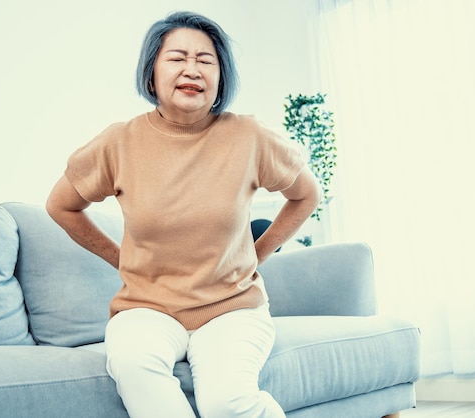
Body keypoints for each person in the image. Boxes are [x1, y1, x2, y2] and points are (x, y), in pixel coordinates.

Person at [45, 10, 321, 418]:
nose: (192, 69)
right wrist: (121, 258)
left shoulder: (250, 137)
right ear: (151, 72)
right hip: (145, 309)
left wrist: (257, 255)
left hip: (232, 307)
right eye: (176, 58)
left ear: (220, 77)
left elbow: (306, 196)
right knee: (134, 367)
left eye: (205, 60)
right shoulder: (119, 142)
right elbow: (61, 205)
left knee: (225, 403)